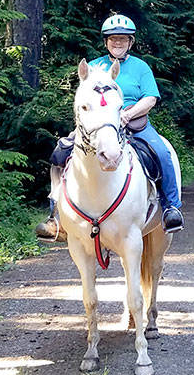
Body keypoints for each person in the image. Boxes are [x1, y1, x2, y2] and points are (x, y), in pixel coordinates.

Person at [36, 14, 184, 241]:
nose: (118, 43)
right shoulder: (93, 66)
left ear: (130, 42)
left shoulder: (140, 67)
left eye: (123, 39)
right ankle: (56, 215)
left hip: (134, 123)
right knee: (60, 152)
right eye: (113, 39)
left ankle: (170, 208)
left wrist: (127, 115)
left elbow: (150, 98)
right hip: (98, 126)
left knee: (162, 153)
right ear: (106, 41)